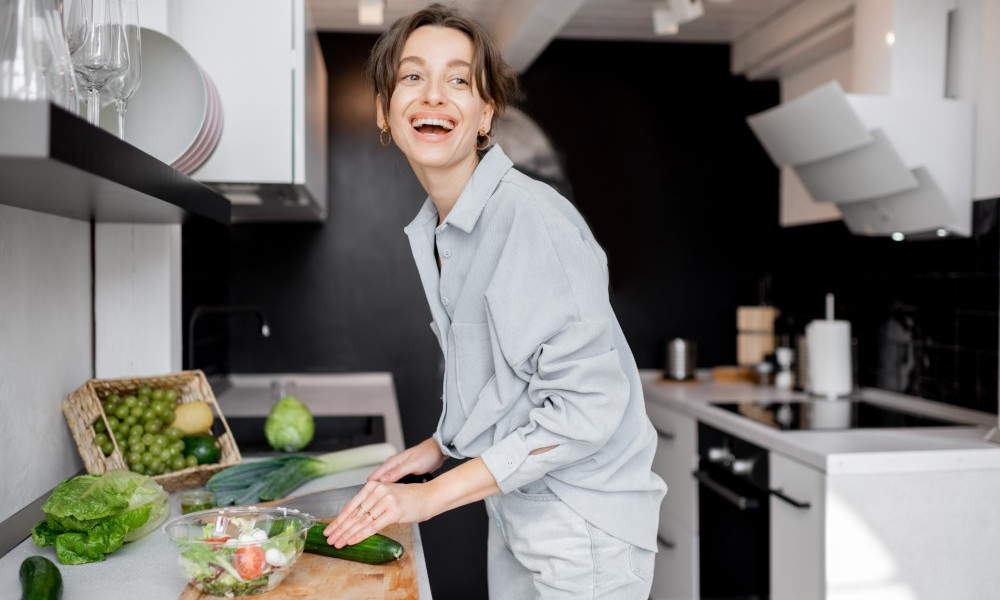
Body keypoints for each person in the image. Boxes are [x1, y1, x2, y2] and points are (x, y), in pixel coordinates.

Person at [322, 4, 667, 598]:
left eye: (459, 80)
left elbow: (585, 410)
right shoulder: (445, 225)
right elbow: (506, 378)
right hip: (520, 505)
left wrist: (429, 498)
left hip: (584, 525)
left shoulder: (527, 217)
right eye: (412, 77)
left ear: (486, 115)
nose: (434, 95)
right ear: (385, 109)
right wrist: (440, 447)